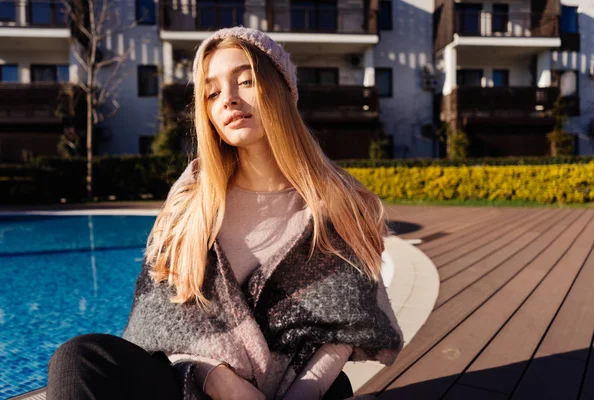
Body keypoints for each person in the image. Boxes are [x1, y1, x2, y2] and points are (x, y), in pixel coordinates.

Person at [47, 27, 403, 400]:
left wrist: (303, 393)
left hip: (299, 387)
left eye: (245, 81)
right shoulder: (188, 205)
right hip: (196, 387)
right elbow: (162, 322)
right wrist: (217, 379)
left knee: (338, 389)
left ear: (281, 90)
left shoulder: (341, 203)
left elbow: (341, 332)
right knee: (80, 358)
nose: (228, 100)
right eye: (212, 92)